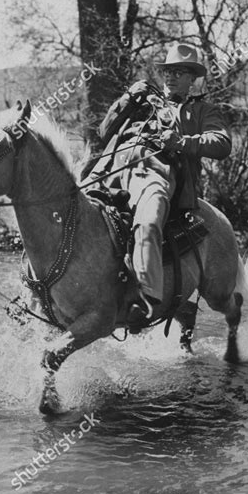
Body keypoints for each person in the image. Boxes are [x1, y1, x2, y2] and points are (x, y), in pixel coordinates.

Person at [96, 42, 232, 328]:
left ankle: (146, 298)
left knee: (150, 215)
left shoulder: (201, 110)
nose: (170, 76)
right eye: (168, 71)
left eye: (179, 72)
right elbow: (104, 132)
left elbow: (222, 143)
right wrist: (127, 99)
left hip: (161, 174)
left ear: (192, 79)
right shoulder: (145, 100)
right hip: (117, 167)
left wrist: (182, 143)